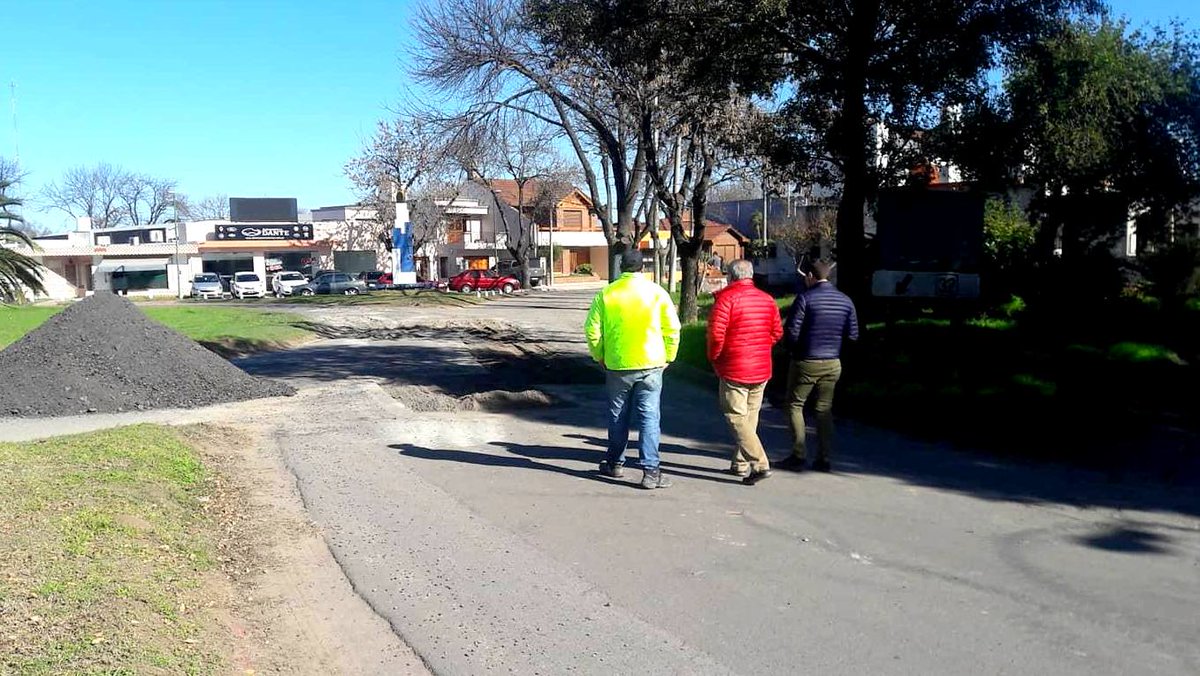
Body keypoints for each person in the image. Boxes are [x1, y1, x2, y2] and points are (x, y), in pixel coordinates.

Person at [584, 249, 681, 489]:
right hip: (651, 363)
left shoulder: (607, 294)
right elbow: (672, 329)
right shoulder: (657, 293)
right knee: (649, 417)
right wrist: (669, 356)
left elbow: (592, 330)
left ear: (621, 268)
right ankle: (650, 471)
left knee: (618, 416)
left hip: (618, 364)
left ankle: (615, 463)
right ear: (642, 269)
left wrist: (600, 356)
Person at [707, 259, 783, 486]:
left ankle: (759, 463)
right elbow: (776, 332)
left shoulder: (726, 300)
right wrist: (760, 347)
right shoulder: (767, 300)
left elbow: (716, 336)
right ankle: (740, 463)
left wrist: (715, 357)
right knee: (750, 415)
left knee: (735, 416)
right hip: (761, 367)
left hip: (734, 366)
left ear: (731, 276)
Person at [779, 260, 859, 472]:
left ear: (810, 277)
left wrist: (790, 350)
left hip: (806, 360)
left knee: (795, 405)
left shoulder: (805, 299)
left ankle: (798, 454)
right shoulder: (845, 301)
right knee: (824, 409)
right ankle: (824, 458)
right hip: (833, 361)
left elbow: (793, 332)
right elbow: (853, 335)